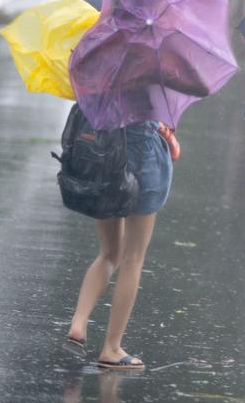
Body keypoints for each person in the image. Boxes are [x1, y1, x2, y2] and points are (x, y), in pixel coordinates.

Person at [64, 118, 173, 369]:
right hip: (140, 149)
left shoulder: (95, 76)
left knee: (109, 253)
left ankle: (78, 324)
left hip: (101, 149)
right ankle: (111, 348)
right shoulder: (155, 76)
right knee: (132, 259)